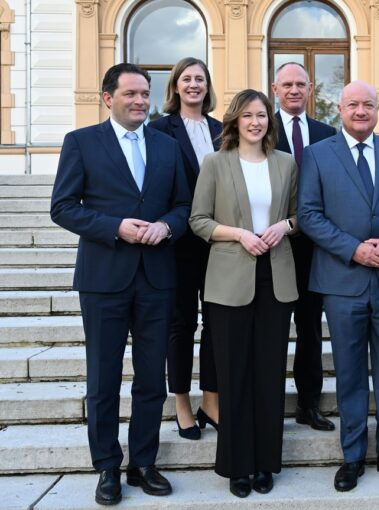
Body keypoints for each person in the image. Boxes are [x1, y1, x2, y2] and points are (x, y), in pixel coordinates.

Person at [50, 63, 190, 505]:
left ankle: (143, 463)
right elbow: (63, 207)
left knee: (151, 378)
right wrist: (116, 227)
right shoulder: (81, 142)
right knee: (104, 379)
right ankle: (107, 466)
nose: (140, 101)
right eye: (130, 93)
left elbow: (185, 205)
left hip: (157, 278)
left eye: (145, 94)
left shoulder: (167, 146)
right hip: (104, 278)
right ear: (108, 97)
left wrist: (167, 228)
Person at [298, 80, 379, 492]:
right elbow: (309, 215)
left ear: (378, 109)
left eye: (368, 104)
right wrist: (354, 250)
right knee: (348, 372)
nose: (361, 111)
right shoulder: (317, 155)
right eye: (353, 105)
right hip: (341, 280)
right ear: (340, 109)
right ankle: (351, 456)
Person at [189, 89, 298, 498]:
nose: (256, 121)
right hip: (228, 279)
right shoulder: (215, 163)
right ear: (234, 120)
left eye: (262, 115)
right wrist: (238, 234)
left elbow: (300, 215)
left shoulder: (285, 163)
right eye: (248, 115)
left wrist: (282, 227)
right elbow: (198, 220)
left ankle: (266, 462)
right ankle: (237, 466)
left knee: (269, 374)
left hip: (276, 276)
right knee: (233, 374)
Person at [148, 57, 221, 439]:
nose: (194, 85)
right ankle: (180, 402)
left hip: (218, 243)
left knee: (216, 324)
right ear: (175, 86)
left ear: (208, 87)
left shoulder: (222, 130)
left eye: (200, 79)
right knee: (181, 324)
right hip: (177, 245)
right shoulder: (159, 129)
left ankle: (211, 399)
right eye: (187, 79)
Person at [272, 62, 337, 432]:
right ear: (275, 88)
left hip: (317, 248)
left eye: (301, 84)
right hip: (275, 244)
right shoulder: (263, 129)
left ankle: (309, 405)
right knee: (275, 330)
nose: (294, 90)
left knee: (311, 329)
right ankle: (269, 405)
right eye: (287, 84)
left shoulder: (326, 132)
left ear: (310, 88)